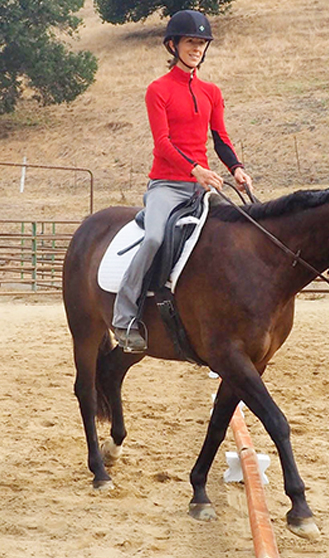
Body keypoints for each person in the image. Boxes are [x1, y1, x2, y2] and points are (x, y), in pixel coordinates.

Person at [112, 9, 253, 352]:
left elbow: (220, 139)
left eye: (202, 43)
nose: (197, 49)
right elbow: (163, 143)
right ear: (173, 45)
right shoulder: (157, 90)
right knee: (154, 238)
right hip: (168, 185)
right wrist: (195, 170)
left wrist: (236, 168)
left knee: (236, 235)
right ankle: (124, 315)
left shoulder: (211, 92)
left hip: (202, 187)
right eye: (191, 42)